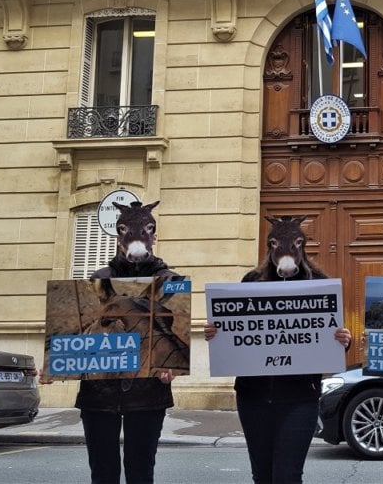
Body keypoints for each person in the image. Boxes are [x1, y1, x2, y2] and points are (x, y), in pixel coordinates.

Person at [204, 215, 352, 484]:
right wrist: (216, 333)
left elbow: (330, 336)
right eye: (276, 245)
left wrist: (343, 339)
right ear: (269, 247)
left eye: (294, 244)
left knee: (287, 476)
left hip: (300, 399)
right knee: (261, 476)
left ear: (302, 247)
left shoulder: (320, 283)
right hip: (253, 398)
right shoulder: (250, 282)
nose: (286, 254)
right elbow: (234, 329)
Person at [43, 200, 181, 484]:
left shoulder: (171, 281)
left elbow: (172, 332)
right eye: (127, 231)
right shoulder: (97, 280)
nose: (138, 239)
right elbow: (81, 331)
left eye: (146, 231)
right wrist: (55, 361)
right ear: (118, 236)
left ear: (154, 236)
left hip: (147, 396)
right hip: (99, 397)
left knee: (141, 473)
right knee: (102, 474)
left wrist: (172, 366)